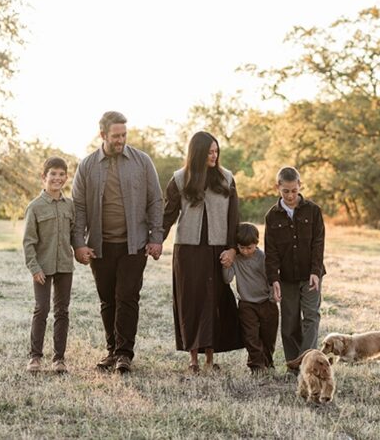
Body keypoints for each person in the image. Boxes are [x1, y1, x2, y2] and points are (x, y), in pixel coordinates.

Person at [72, 111, 163, 374]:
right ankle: (111, 351)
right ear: (103, 135)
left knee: (127, 297)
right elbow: (78, 208)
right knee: (107, 299)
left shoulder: (142, 162)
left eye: (124, 135)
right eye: (116, 136)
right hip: (100, 245)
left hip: (134, 244)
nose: (121, 140)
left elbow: (155, 201)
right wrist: (79, 243)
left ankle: (125, 354)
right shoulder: (87, 166)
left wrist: (156, 237)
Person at [163, 131, 243, 372]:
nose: (214, 155)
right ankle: (193, 359)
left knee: (214, 302)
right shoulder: (179, 179)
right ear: (197, 153)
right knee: (191, 301)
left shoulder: (226, 178)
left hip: (218, 249)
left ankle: (211, 358)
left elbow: (234, 218)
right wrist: (155, 241)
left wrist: (232, 249)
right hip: (188, 250)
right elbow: (167, 216)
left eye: (216, 151)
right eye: (209, 151)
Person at [264, 166, 326, 364]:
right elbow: (271, 251)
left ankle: (307, 363)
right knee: (290, 323)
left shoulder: (313, 211)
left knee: (311, 317)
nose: (290, 195)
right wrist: (273, 279)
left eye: (294, 190)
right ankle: (293, 366)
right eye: (286, 191)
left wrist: (315, 272)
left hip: (311, 275)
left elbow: (318, 243)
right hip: (287, 278)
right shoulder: (272, 216)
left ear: (300, 186)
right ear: (278, 188)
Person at [22, 157, 75, 374]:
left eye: (61, 174)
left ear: (66, 177)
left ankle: (59, 359)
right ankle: (35, 357)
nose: (57, 178)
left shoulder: (70, 206)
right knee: (41, 309)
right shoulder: (34, 207)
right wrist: (34, 268)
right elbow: (28, 241)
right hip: (42, 268)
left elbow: (75, 235)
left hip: (64, 266)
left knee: (62, 311)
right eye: (53, 174)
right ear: (44, 177)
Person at [223, 222, 279, 372]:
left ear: (256, 244)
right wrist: (226, 265)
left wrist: (272, 297)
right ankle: (256, 366)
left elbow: (270, 279)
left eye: (249, 248)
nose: (246, 251)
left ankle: (267, 364)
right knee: (250, 337)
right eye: (242, 248)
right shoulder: (236, 258)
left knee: (268, 338)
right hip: (246, 304)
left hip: (266, 302)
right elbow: (227, 279)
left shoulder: (262, 258)